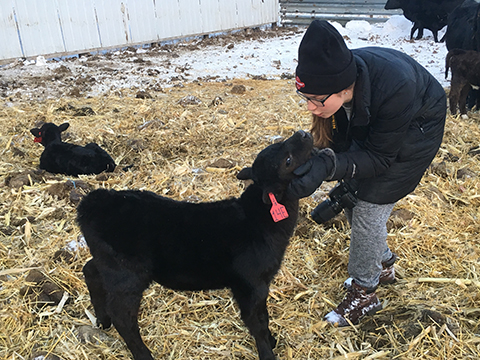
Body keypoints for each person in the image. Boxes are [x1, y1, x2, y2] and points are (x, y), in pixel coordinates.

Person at [288, 20, 447, 327]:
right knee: (350, 194)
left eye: (316, 101)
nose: (310, 108)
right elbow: (343, 140)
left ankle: (365, 292)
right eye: (304, 99)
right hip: (382, 124)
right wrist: (317, 159)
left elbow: (379, 158)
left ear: (344, 89)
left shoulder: (396, 85)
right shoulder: (336, 75)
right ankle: (383, 264)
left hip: (418, 126)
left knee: (369, 206)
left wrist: (330, 165)